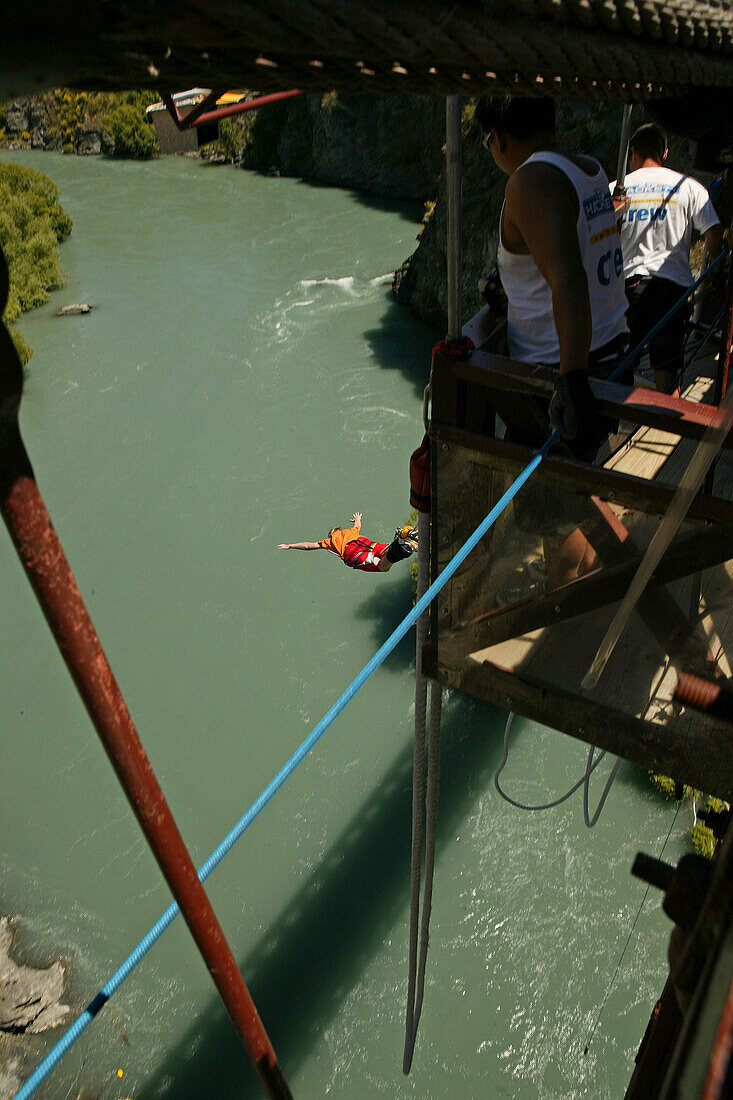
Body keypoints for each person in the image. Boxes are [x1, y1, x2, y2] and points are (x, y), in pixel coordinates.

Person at [475, 94, 629, 587]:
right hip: (608, 351)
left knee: (553, 512)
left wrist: (573, 378)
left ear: (498, 137)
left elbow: (567, 278)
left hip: (557, 372)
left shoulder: (528, 181)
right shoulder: (588, 169)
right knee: (577, 490)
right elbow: (568, 262)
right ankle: (581, 583)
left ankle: (561, 611)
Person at [610, 122, 723, 396]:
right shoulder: (689, 186)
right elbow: (714, 235)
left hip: (629, 288)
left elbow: (597, 241)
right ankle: (665, 423)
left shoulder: (615, 189)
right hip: (672, 290)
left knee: (619, 367)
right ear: (665, 153)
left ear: (632, 152)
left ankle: (612, 426)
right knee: (667, 373)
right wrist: (715, 273)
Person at [277, 512, 417, 573]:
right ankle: (405, 538)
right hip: (365, 543)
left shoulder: (329, 541)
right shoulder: (350, 531)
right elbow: (358, 524)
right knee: (386, 550)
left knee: (382, 567)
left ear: (332, 534)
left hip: (353, 553)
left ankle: (399, 548)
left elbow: (308, 546)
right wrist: (357, 517)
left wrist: (290, 546)